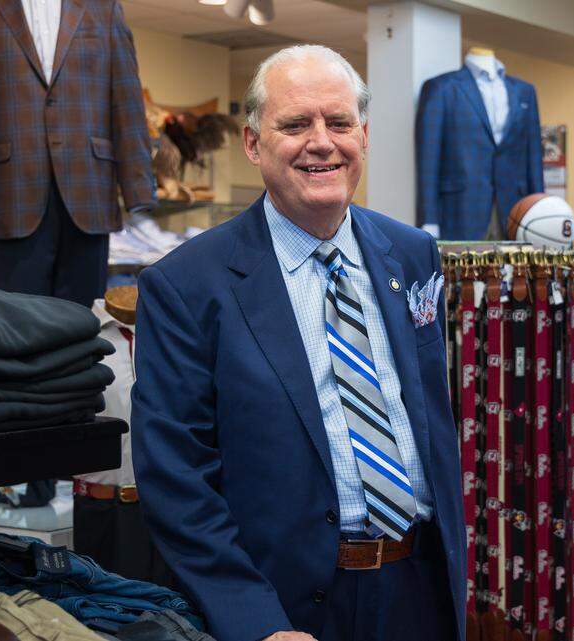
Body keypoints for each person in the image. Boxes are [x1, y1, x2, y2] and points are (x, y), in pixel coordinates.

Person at [131, 45, 465, 641]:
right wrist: (255, 622)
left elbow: (431, 422)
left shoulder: (412, 254)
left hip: (420, 592)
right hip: (289, 609)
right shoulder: (185, 285)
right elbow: (176, 478)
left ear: (362, 135)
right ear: (253, 143)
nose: (322, 142)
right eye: (295, 124)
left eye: (339, 123)